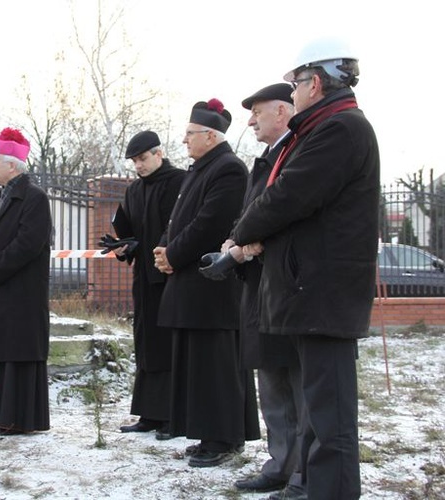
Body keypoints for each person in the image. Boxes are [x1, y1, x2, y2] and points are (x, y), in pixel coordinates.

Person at [230, 38, 379, 499]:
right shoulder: (324, 127)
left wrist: (240, 234)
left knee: (330, 420)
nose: (291, 94)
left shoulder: (340, 129)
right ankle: (314, 488)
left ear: (314, 83)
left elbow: (289, 196)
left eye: (294, 84)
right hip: (311, 293)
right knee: (319, 412)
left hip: (324, 296)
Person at [203, 84, 304, 494]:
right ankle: (280, 463)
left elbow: (291, 209)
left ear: (282, 111)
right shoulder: (264, 159)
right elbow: (250, 212)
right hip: (259, 287)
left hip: (288, 286)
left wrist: (251, 242)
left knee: (299, 387)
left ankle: (303, 472)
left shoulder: (299, 151)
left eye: (257, 112)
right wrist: (234, 243)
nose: (249, 121)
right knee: (272, 382)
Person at [152, 99, 259, 466]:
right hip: (190, 283)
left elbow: (209, 224)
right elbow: (178, 221)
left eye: (190, 134)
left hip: (213, 286)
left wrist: (174, 255)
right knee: (200, 365)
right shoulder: (201, 168)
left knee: (217, 366)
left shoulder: (229, 169)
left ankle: (224, 438)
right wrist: (165, 250)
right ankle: (209, 433)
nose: (184, 140)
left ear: (210, 136)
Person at [0, 127, 52, 435]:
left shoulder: (35, 198)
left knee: (15, 354)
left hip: (20, 295)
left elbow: (27, 244)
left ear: (12, 165)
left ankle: (15, 419)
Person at [112, 131, 185, 435]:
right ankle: (149, 414)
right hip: (143, 277)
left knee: (169, 344)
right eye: (134, 161)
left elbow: (180, 227)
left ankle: (173, 416)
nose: (138, 166)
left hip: (171, 276)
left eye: (142, 159)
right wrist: (122, 247)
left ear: (159, 153)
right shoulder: (134, 191)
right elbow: (132, 232)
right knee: (147, 343)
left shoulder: (180, 182)